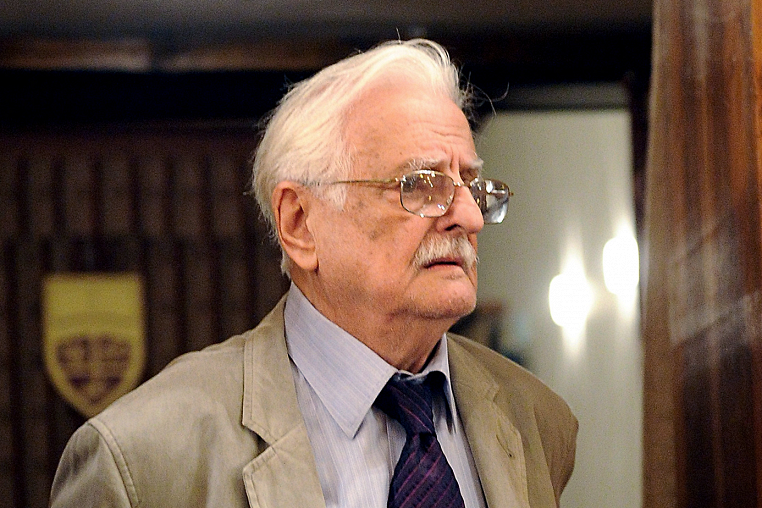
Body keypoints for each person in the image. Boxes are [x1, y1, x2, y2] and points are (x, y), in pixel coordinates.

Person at [50, 39, 577, 508]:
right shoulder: (143, 459)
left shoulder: (536, 419)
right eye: (420, 185)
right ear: (300, 223)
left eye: (472, 187)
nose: (469, 218)